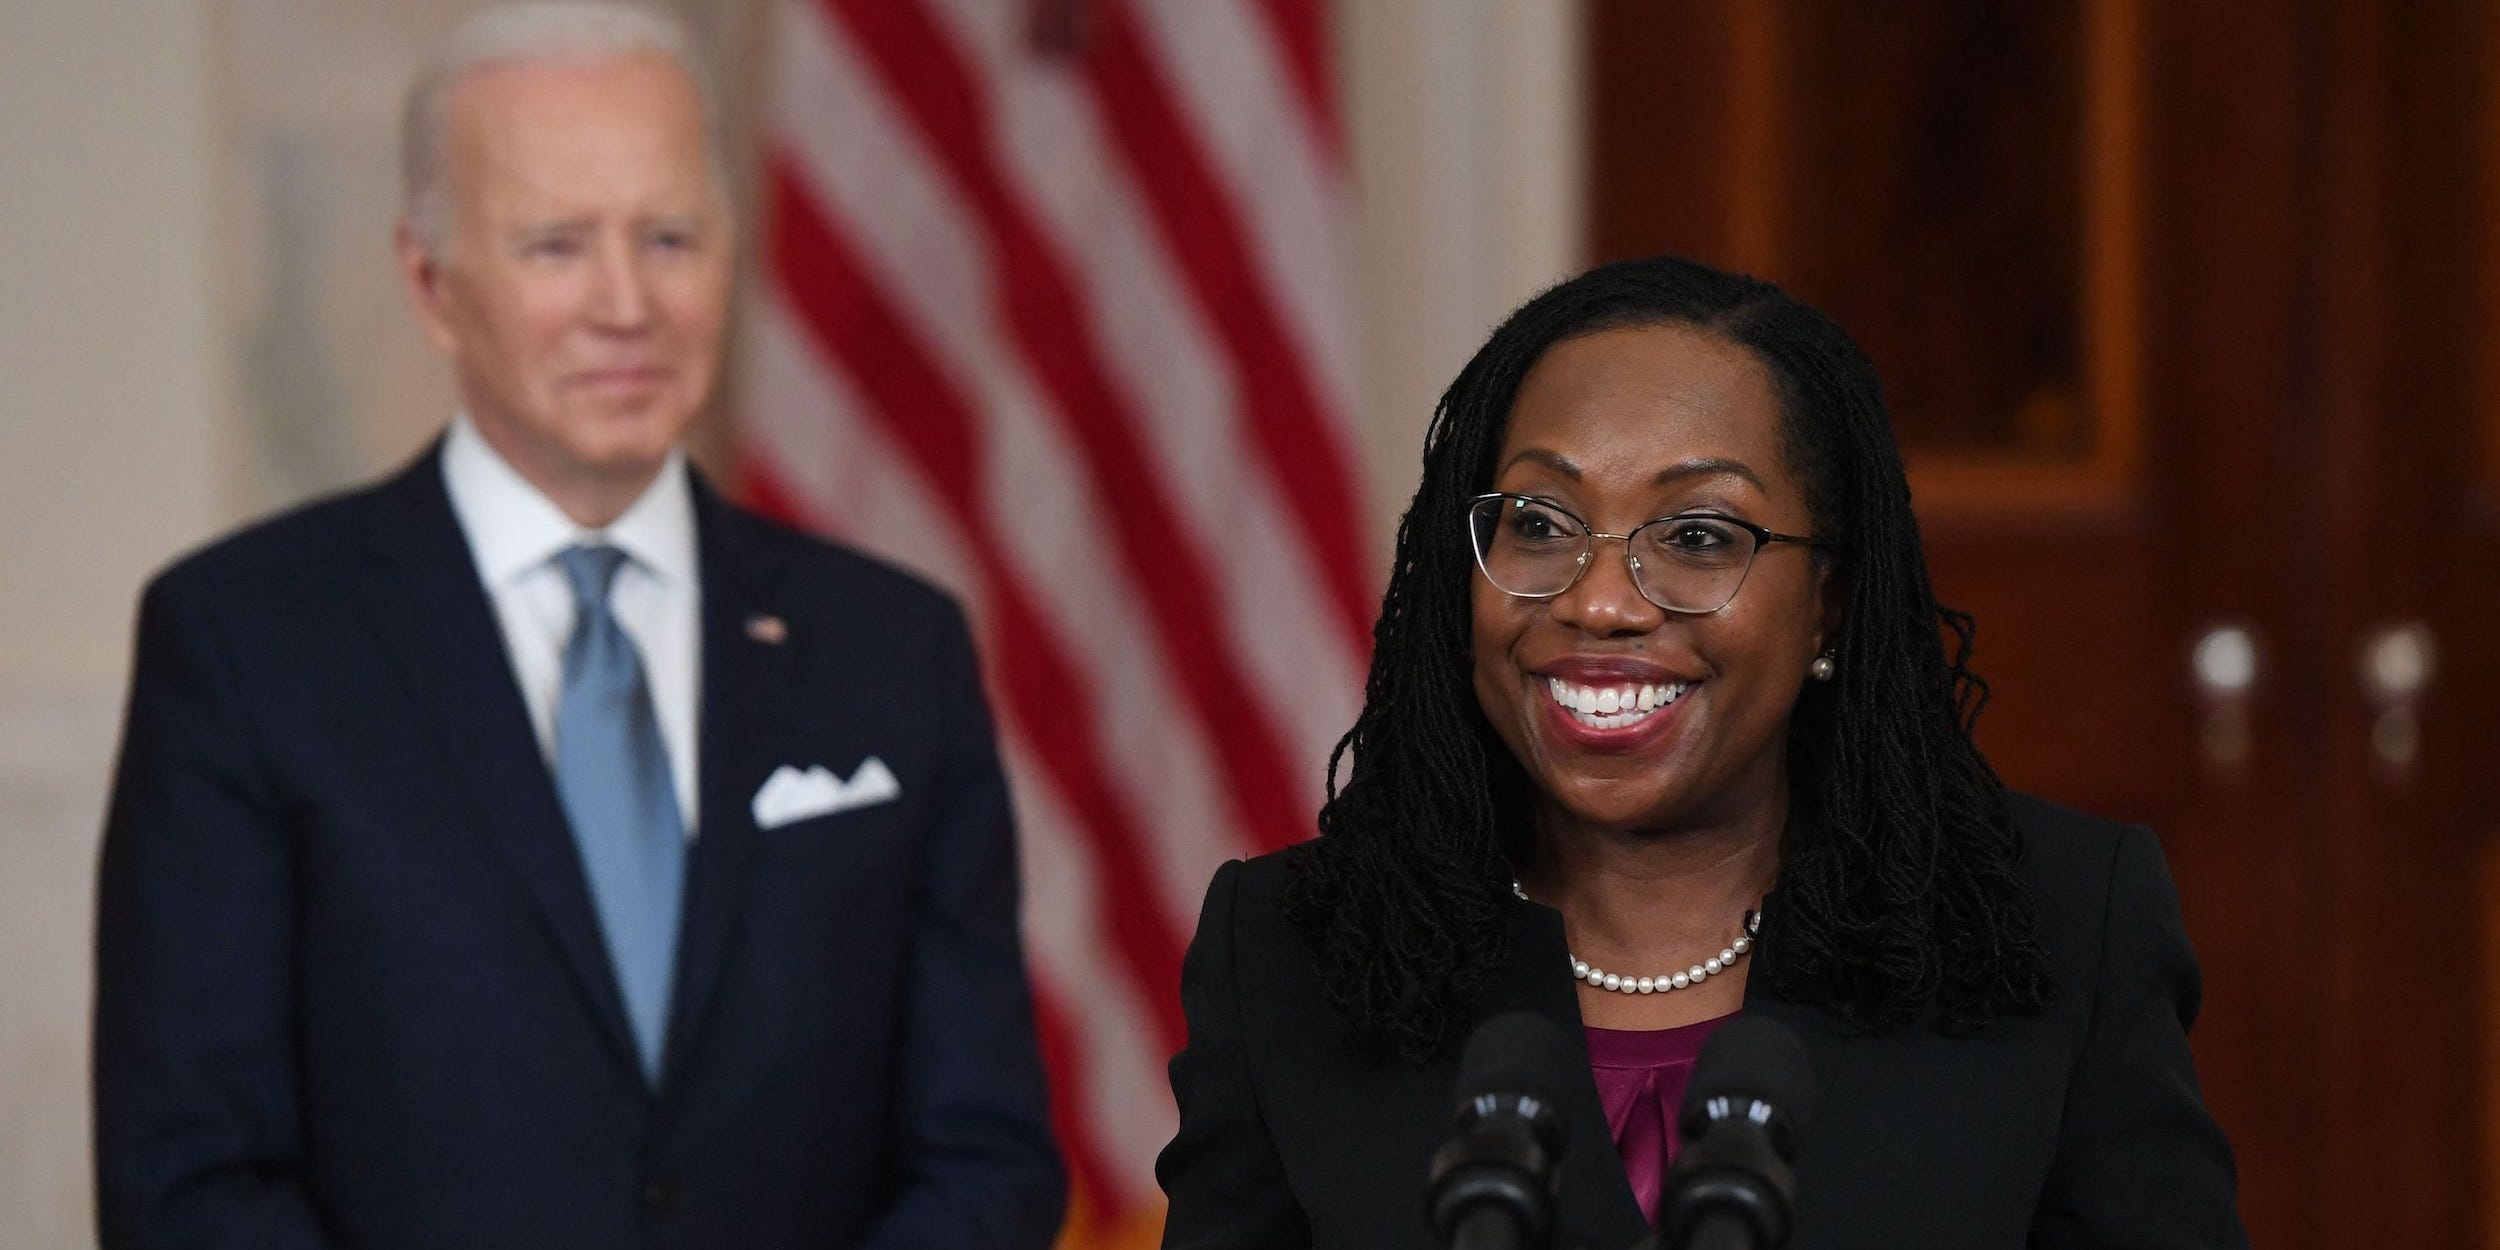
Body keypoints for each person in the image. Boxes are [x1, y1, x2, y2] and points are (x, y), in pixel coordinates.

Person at [92, 5, 1063, 1247]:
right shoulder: (243, 646)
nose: (627, 304)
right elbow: (191, 1180)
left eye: (669, 237)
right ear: (432, 286)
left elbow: (984, 1154)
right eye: (556, 246)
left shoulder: (893, 650)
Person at [1156, 254, 2247, 1249]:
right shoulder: (1291, 958)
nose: (1596, 600)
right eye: (1538, 521)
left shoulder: (2058, 929)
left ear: (1829, 602)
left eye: (1696, 536)